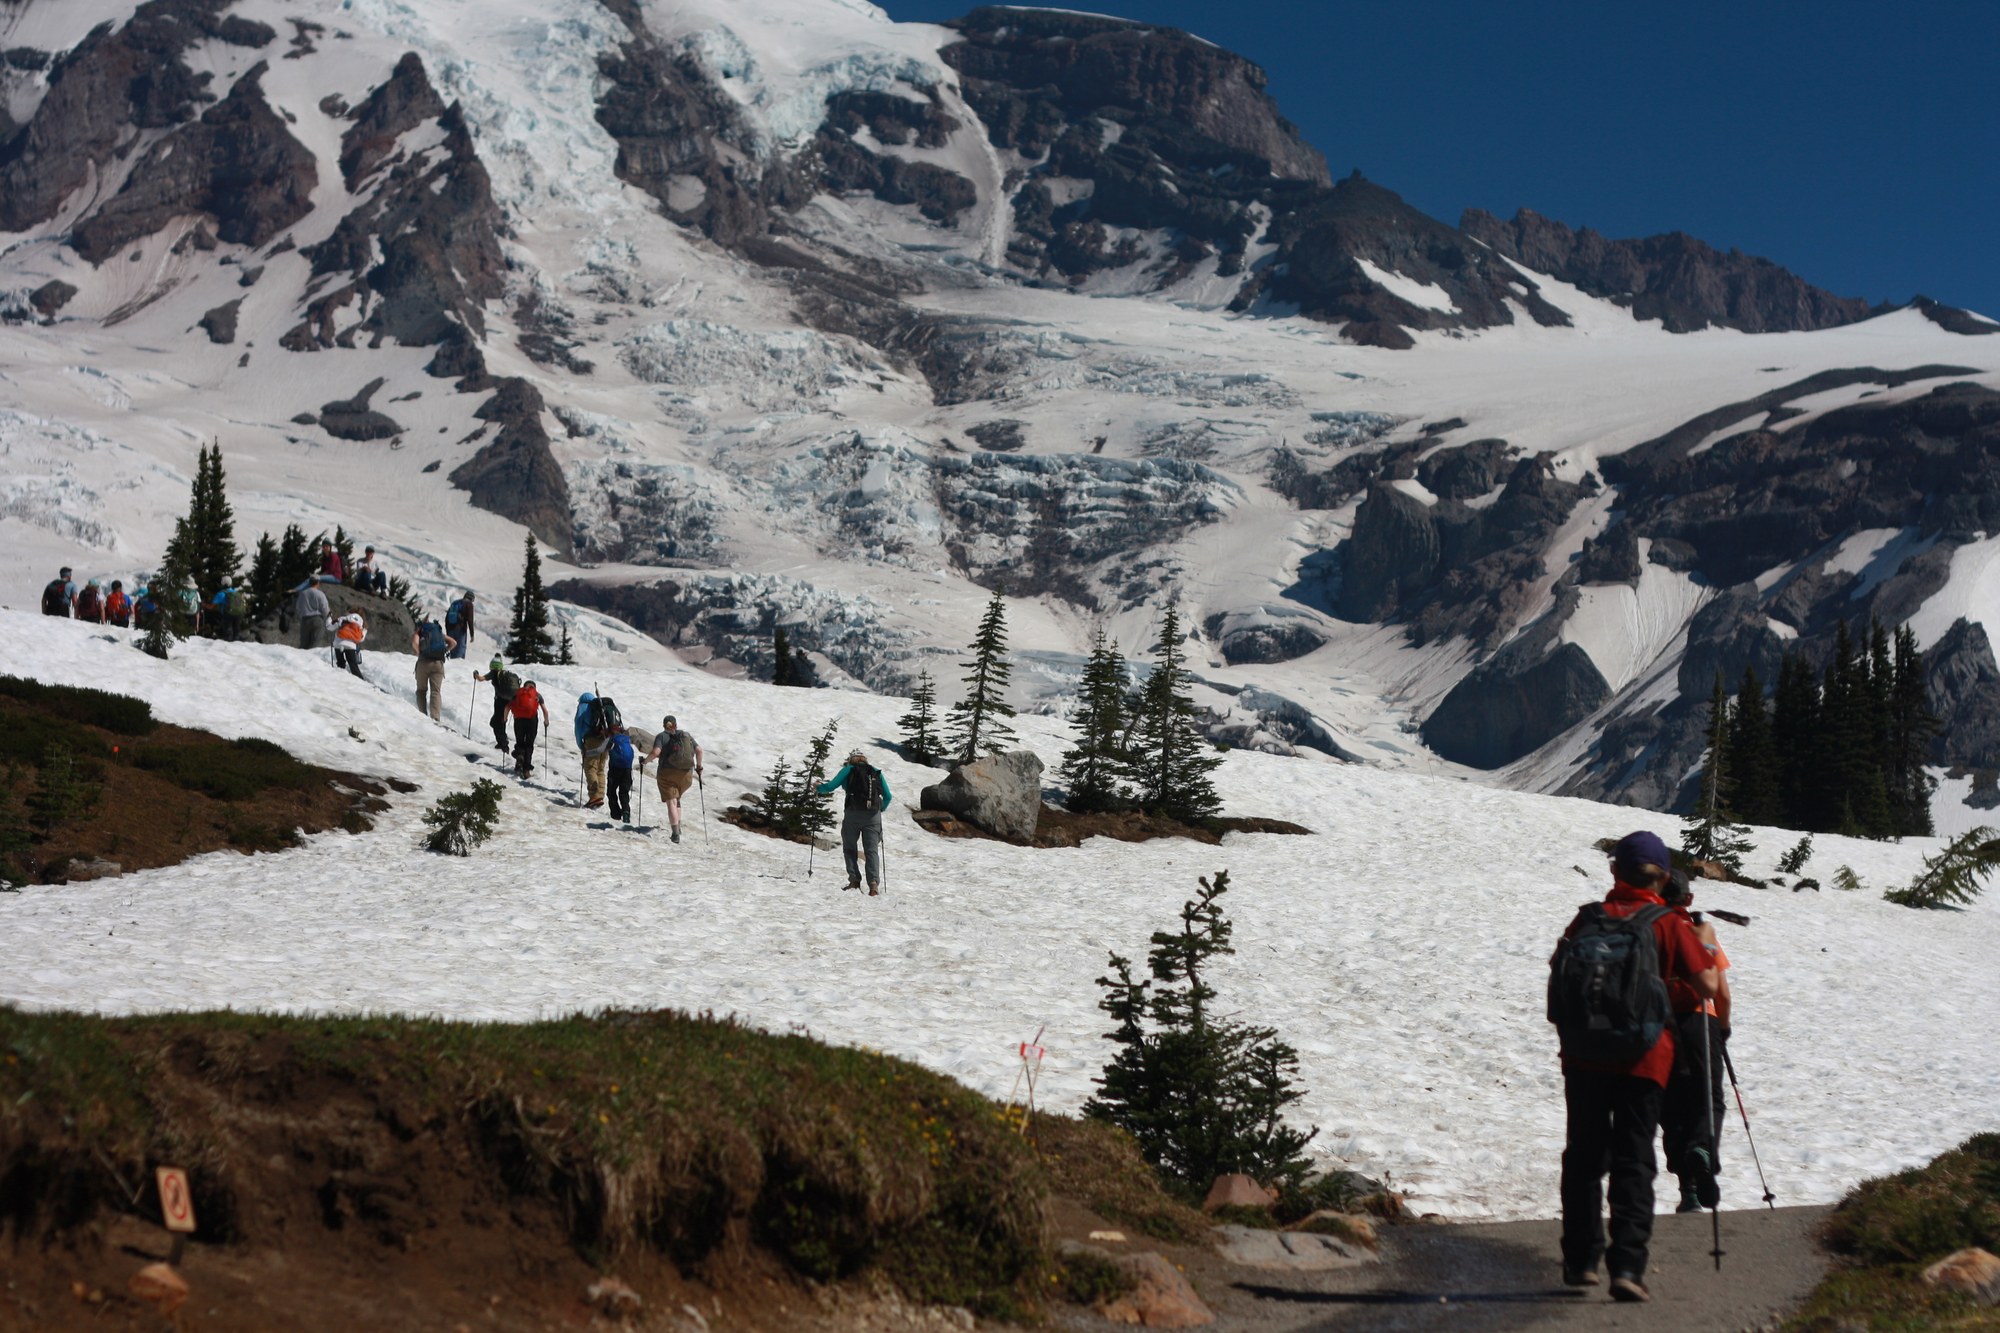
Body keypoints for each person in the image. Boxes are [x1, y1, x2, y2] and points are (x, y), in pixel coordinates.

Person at [1550, 831, 1718, 1303]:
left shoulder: (1588, 918)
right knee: (1633, 1156)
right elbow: (1707, 985)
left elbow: (1560, 968)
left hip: (1584, 1054)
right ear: (1663, 878)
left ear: (1614, 872)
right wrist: (1701, 945)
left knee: (1583, 1155)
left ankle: (1580, 1261)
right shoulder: (1667, 923)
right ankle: (1626, 1267)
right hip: (1645, 1057)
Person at [1660, 872, 1732, 1214]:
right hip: (1702, 1020)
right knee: (1709, 1097)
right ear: (1688, 899)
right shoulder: (1701, 932)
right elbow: (1722, 993)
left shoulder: (1653, 929)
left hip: (1662, 1022)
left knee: (1673, 1103)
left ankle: (1687, 1190)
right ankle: (1702, 1148)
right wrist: (1724, 1029)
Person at [815, 748, 891, 894]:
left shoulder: (848, 770)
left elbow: (830, 787)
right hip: (873, 816)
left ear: (851, 759)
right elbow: (888, 796)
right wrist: (880, 809)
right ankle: (873, 884)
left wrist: (819, 788)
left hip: (852, 814)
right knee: (871, 851)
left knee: (850, 847)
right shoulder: (875, 771)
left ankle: (854, 880)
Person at [642, 714, 703, 844]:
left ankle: (675, 834)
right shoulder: (685, 736)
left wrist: (645, 762)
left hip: (667, 773)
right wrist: (699, 767)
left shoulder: (661, 736)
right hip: (686, 775)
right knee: (677, 799)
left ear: (664, 725)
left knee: (671, 802)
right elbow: (699, 750)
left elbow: (656, 752)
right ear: (676, 725)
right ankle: (678, 828)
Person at [411, 610, 456, 721]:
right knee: (435, 691)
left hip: (424, 662)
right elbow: (453, 643)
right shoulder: (438, 632)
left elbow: (414, 643)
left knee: (421, 690)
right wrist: (445, 650)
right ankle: (435, 718)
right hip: (438, 664)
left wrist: (419, 652)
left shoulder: (421, 631)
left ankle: (423, 715)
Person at [472, 656, 518, 753]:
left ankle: (503, 745)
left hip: (500, 701)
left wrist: (476, 674)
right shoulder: (505, 674)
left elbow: (481, 678)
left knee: (496, 722)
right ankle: (502, 742)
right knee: (501, 721)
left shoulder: (493, 673)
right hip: (509, 701)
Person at [574, 692, 612, 809]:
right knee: (600, 769)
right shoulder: (600, 707)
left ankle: (594, 796)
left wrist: (581, 744)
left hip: (591, 740)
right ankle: (600, 795)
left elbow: (578, 726)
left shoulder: (583, 706)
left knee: (591, 767)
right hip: (605, 739)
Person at [510, 678, 548, 778]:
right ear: (534, 687)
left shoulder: (518, 694)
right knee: (529, 745)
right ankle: (526, 771)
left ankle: (519, 757)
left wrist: (505, 719)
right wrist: (546, 721)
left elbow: (507, 707)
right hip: (532, 720)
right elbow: (545, 711)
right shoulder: (537, 695)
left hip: (518, 720)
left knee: (520, 741)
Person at [606, 727, 636, 824]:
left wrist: (587, 752)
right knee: (624, 793)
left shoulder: (612, 739)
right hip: (627, 770)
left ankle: (616, 815)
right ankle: (626, 812)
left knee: (611, 791)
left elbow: (600, 750)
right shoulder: (627, 740)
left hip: (614, 769)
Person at [294, 576, 330, 650]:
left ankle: (301, 656)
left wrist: (301, 617)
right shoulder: (320, 594)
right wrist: (328, 618)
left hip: (305, 620)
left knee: (304, 643)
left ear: (309, 582)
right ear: (318, 583)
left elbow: (298, 607)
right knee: (316, 642)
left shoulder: (303, 593)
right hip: (317, 619)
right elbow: (325, 608)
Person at [209, 575, 248, 642]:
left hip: (228, 614)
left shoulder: (221, 594)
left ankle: (228, 645)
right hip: (239, 614)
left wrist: (203, 605)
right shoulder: (236, 592)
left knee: (228, 633)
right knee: (236, 633)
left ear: (223, 583)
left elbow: (211, 606)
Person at [331, 608, 367, 677]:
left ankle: (340, 677)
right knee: (353, 665)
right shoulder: (362, 624)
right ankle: (359, 680)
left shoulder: (343, 619)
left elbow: (330, 627)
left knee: (340, 663)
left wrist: (329, 619)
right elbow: (360, 639)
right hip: (350, 646)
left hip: (338, 644)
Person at [445, 589, 476, 659]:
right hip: (460, 630)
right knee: (459, 653)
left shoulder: (455, 603)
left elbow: (447, 618)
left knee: (452, 651)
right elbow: (470, 620)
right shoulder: (469, 604)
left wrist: (448, 632)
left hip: (450, 629)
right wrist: (472, 635)